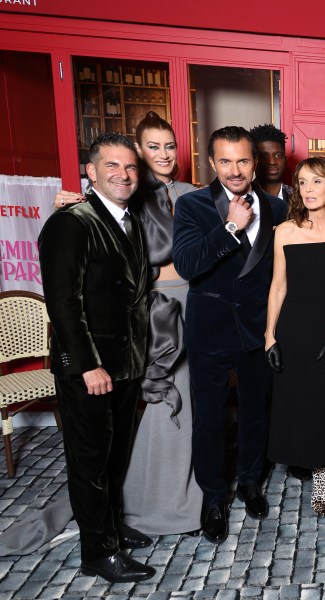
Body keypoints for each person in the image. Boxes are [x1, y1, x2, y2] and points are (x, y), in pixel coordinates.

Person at [51, 111, 204, 536]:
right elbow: (93, 215)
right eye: (152, 146)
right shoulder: (128, 194)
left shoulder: (193, 192)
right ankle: (149, 501)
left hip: (193, 303)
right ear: (138, 152)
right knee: (163, 400)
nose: (164, 154)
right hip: (154, 311)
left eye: (170, 146)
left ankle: (171, 493)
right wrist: (70, 201)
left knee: (188, 402)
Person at [38, 133, 154, 582]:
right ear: (91, 172)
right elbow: (63, 303)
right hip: (90, 368)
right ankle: (98, 552)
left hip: (124, 364)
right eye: (112, 166)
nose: (123, 175)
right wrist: (87, 365)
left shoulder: (129, 220)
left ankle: (110, 528)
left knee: (113, 457)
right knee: (90, 462)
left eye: (130, 168)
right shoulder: (72, 222)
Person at [173, 126, 287, 544]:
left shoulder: (276, 208)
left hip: (260, 330)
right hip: (211, 330)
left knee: (257, 411)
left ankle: (251, 481)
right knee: (210, 418)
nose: (235, 170)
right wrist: (229, 228)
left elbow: (280, 271)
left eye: (243, 160)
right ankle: (214, 497)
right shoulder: (193, 205)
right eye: (226, 161)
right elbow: (187, 265)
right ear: (211, 163)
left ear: (255, 162)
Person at [265, 157, 325, 516]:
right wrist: (269, 337)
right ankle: (312, 466)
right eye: (302, 182)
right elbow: (278, 287)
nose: (308, 190)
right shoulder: (285, 231)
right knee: (300, 403)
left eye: (316, 182)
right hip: (293, 330)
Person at [250, 124, 292, 202]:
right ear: (253, 161)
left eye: (278, 155)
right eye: (264, 156)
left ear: (285, 161)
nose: (272, 162)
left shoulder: (298, 197)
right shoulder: (243, 197)